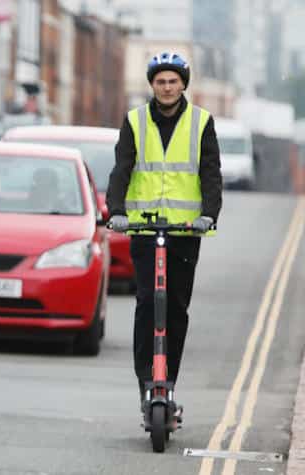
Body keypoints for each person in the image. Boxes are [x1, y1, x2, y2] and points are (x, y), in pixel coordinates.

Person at [105, 52, 223, 423]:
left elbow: (210, 174)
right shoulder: (135, 122)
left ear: (183, 84)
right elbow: (121, 170)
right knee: (146, 305)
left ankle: (167, 381)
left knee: (175, 308)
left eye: (173, 81)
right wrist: (117, 212)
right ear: (152, 85)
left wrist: (208, 215)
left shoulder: (201, 122)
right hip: (144, 229)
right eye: (160, 81)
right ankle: (147, 382)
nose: (167, 87)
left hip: (185, 232)